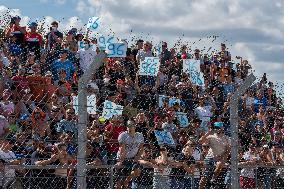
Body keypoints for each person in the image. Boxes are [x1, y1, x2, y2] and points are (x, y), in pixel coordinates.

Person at [198, 122, 230, 189]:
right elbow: (200, 141)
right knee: (204, 177)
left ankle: (212, 179)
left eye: (218, 128)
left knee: (220, 164)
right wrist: (209, 132)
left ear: (222, 128)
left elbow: (228, 151)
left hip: (220, 158)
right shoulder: (211, 136)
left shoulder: (227, 138)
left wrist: (222, 157)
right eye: (215, 128)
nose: (217, 129)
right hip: (210, 157)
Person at [115, 120, 144, 189]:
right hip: (123, 158)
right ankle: (122, 183)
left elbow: (141, 148)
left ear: (135, 126)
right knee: (118, 185)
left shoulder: (140, 136)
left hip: (133, 159)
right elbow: (122, 150)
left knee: (137, 171)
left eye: (131, 125)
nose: (130, 127)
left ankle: (126, 181)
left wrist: (137, 157)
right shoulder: (123, 135)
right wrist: (120, 161)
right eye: (128, 125)